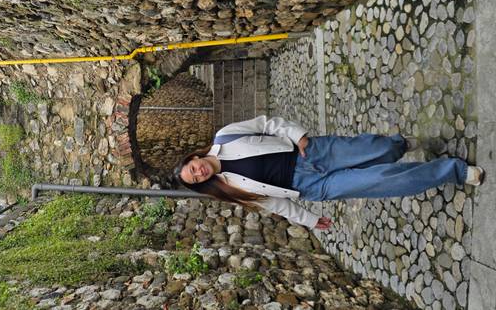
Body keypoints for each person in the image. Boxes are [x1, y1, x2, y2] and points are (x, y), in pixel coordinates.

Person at [174, 115, 484, 230]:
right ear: (202, 184)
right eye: (196, 179)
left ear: (194, 158)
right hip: (312, 186)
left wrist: (299, 136)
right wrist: (309, 219)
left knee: (376, 148)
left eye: (193, 169)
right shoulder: (229, 190)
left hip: (310, 152)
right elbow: (273, 204)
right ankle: (454, 171)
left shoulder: (225, 136)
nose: (199, 173)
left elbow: (266, 124)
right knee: (381, 181)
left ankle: (399, 144)